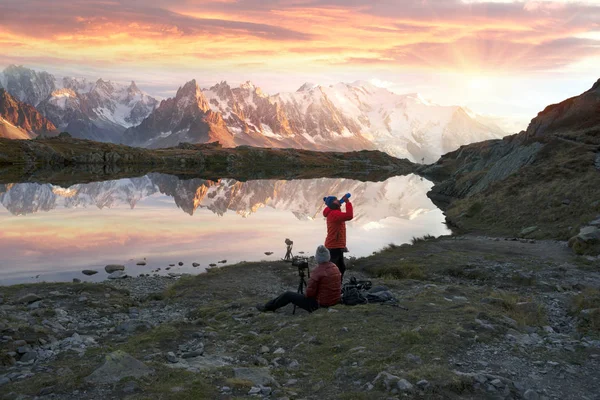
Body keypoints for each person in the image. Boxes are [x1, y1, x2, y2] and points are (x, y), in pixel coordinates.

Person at [256, 245, 341, 313]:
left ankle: (267, 307)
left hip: (319, 305)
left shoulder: (318, 271)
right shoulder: (335, 267)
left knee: (288, 295)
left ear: (318, 258)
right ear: (328, 256)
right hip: (334, 301)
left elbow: (309, 294)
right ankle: (269, 306)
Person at [323, 194, 353, 279]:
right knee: (334, 270)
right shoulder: (334, 214)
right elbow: (349, 216)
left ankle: (335, 287)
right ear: (332, 203)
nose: (338, 200)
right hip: (334, 246)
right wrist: (347, 202)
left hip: (336, 245)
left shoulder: (334, 212)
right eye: (336, 200)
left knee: (340, 269)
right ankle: (330, 287)